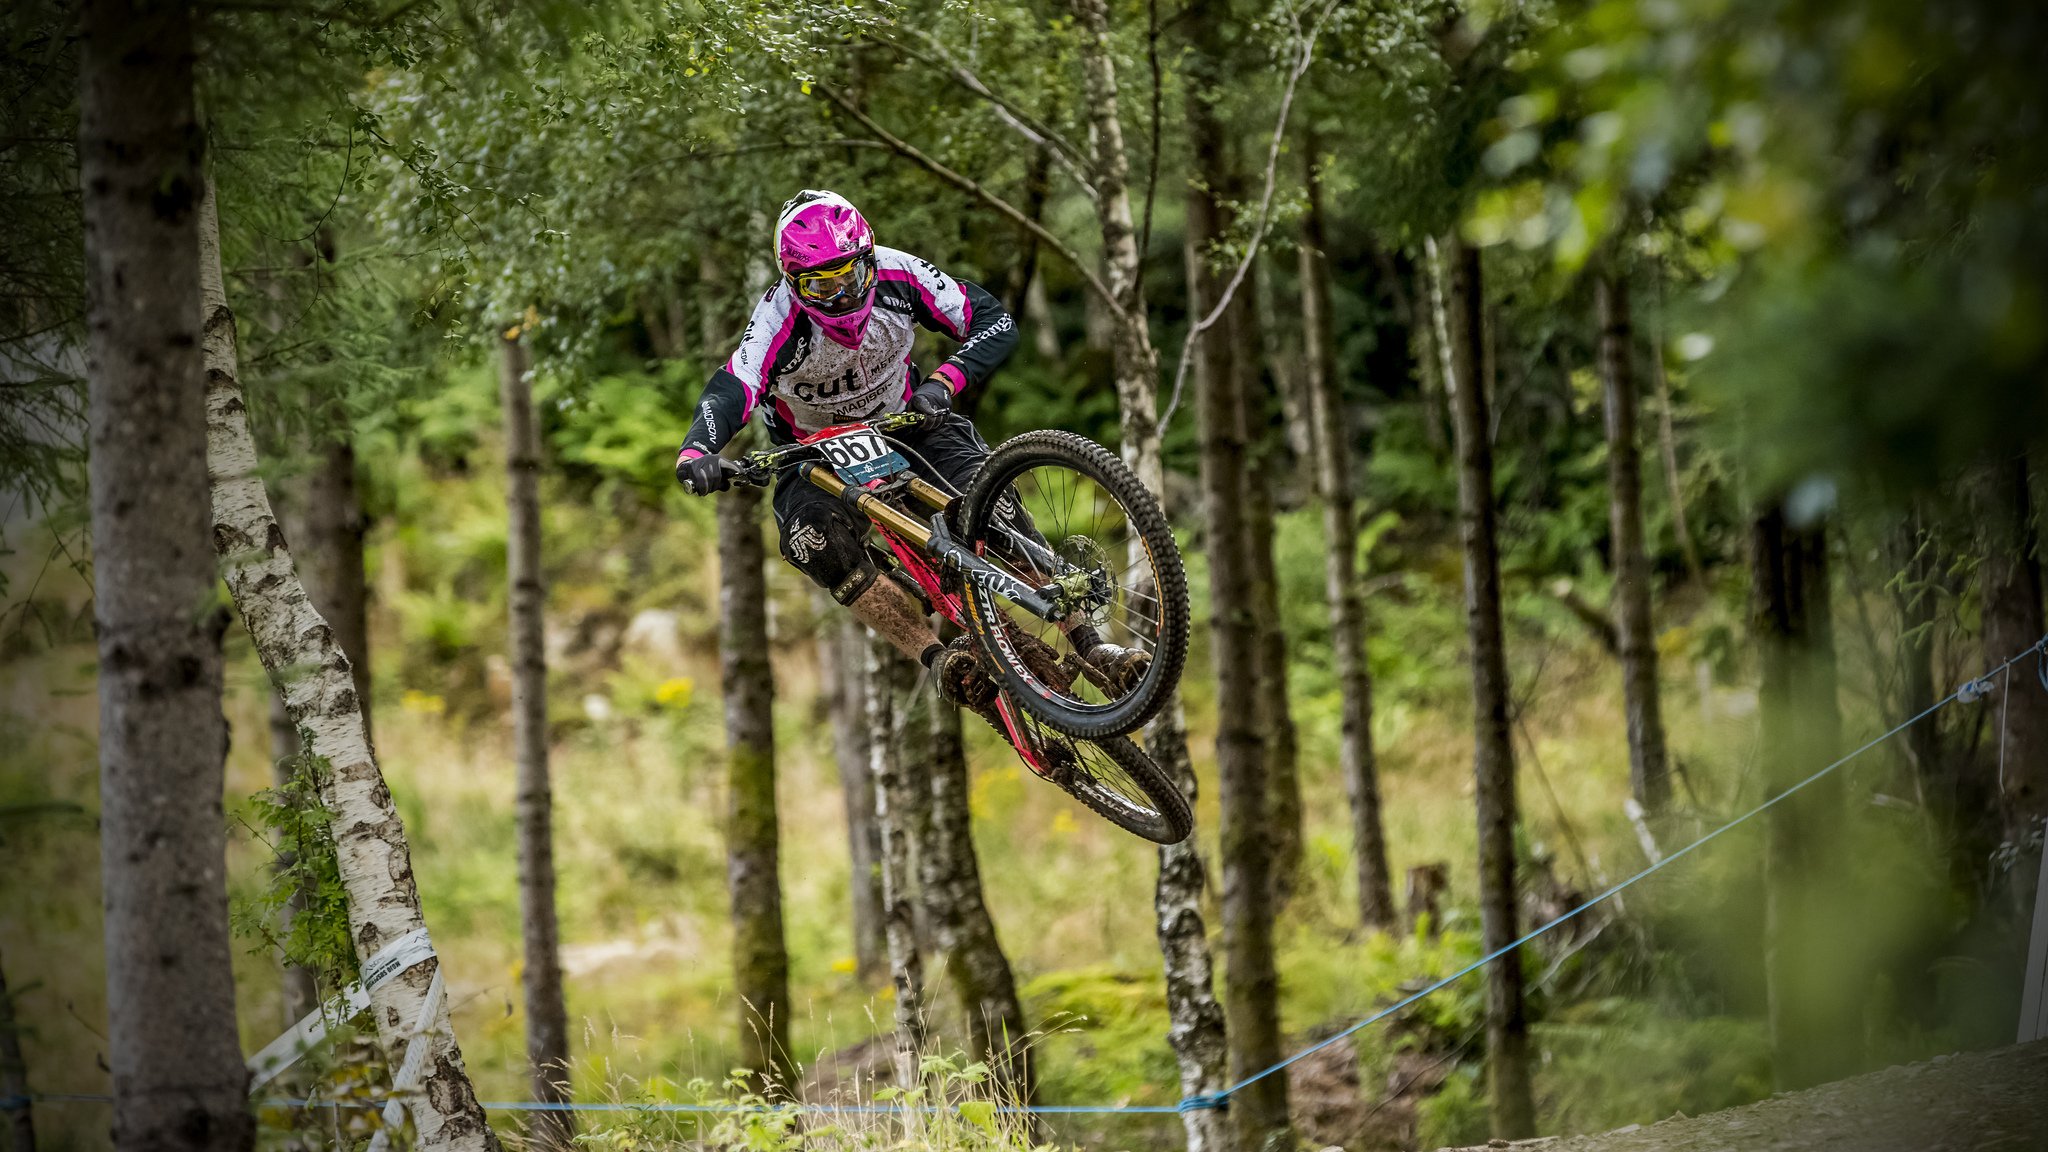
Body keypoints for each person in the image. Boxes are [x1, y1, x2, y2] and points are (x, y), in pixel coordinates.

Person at [676, 189, 1145, 729]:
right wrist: (699, 450)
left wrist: (946, 383)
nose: (840, 294)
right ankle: (940, 658)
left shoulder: (901, 274)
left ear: (870, 257)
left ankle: (1092, 647)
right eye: (819, 286)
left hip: (909, 421)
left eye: (850, 275)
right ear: (791, 283)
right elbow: (731, 388)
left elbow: (992, 320)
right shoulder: (775, 321)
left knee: (991, 512)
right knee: (816, 544)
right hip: (814, 454)